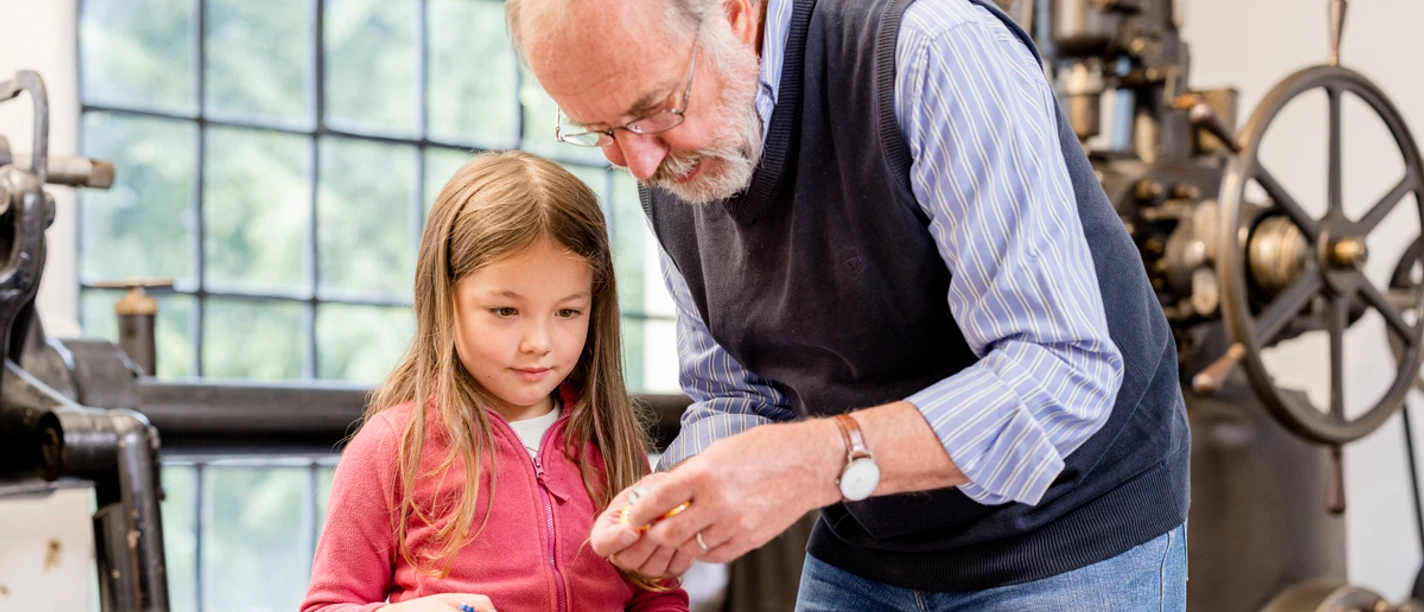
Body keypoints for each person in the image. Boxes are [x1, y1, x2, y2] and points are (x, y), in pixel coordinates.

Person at [507, 0, 1191, 609]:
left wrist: (813, 462)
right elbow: (737, 398)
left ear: (738, 13)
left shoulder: (932, 51)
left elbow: (1059, 368)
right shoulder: (664, 159)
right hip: (869, 537)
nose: (642, 164)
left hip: (1067, 533)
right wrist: (661, 508)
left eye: (655, 111)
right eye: (600, 130)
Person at [300, 151, 691, 612]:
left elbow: (658, 596)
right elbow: (327, 605)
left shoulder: (612, 442)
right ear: (446, 299)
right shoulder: (390, 448)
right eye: (505, 311)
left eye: (568, 312)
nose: (539, 343)